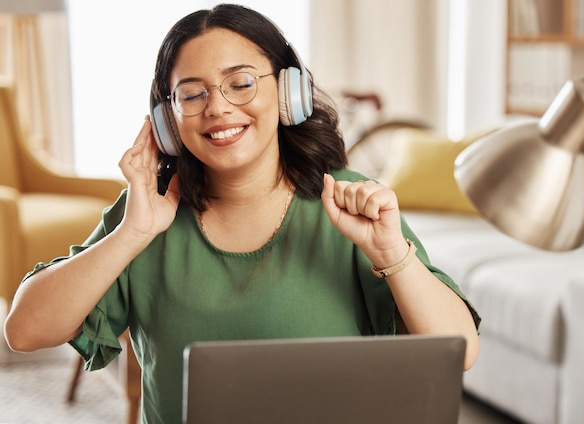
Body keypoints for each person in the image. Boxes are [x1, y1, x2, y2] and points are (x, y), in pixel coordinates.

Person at [4, 4, 481, 424]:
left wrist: (393, 253)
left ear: (289, 92)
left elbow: (461, 350)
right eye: (192, 94)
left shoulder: (351, 204)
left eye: (241, 82)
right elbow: (23, 332)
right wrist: (132, 233)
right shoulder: (147, 214)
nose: (218, 107)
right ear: (168, 120)